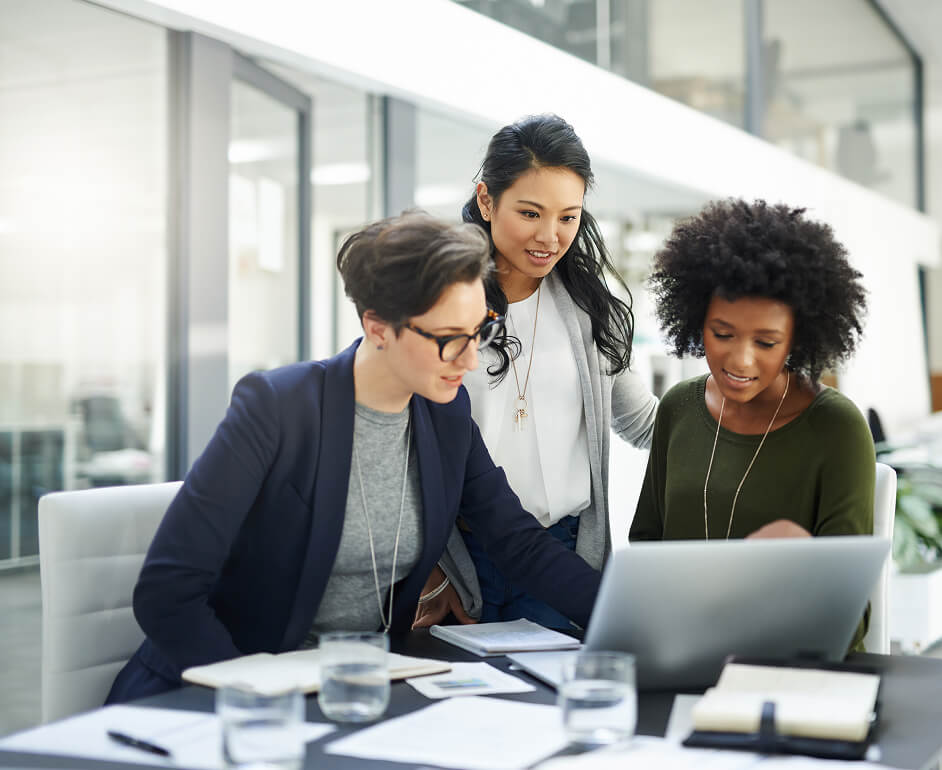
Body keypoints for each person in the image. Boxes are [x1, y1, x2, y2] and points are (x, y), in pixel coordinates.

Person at [105, 212, 602, 703]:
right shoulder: (278, 408)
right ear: (379, 326)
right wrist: (258, 699)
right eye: (451, 340)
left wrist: (623, 612)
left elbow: (517, 542)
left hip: (355, 691)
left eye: (480, 333)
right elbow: (167, 593)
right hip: (224, 695)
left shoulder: (444, 417)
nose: (470, 360)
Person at [413, 115, 657, 631]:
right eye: (530, 212)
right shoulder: (437, 304)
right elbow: (401, 444)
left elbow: (643, 422)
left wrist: (743, 405)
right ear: (486, 201)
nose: (550, 236)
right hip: (460, 560)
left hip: (564, 554)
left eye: (568, 217)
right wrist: (431, 568)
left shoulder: (592, 309)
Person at [629, 198, 874, 649]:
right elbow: (646, 548)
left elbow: (850, 616)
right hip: (681, 653)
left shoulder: (837, 429)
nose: (740, 360)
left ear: (797, 340)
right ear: (695, 320)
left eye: (766, 341)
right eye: (722, 334)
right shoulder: (678, 408)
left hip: (789, 669)